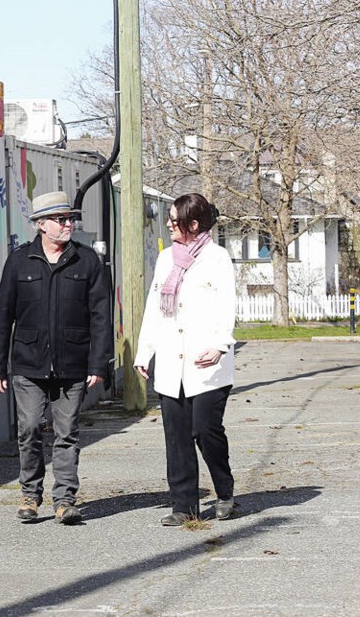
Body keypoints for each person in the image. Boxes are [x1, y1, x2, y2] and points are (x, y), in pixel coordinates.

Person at [0, 190, 112, 524]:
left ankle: (64, 500)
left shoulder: (87, 261)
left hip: (73, 364)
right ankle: (30, 494)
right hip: (28, 363)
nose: (68, 224)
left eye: (70, 218)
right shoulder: (19, 261)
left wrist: (98, 364)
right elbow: (3, 316)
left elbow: (101, 318)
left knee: (67, 432)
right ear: (41, 224)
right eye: (61, 220)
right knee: (29, 427)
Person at [134, 193, 237, 525]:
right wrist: (144, 351)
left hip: (207, 362)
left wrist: (221, 345)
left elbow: (227, 306)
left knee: (205, 430)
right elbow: (154, 308)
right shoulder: (166, 259)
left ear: (193, 224)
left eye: (174, 219)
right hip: (170, 362)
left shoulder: (218, 258)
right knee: (176, 436)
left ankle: (224, 490)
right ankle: (184, 506)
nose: (168, 223)